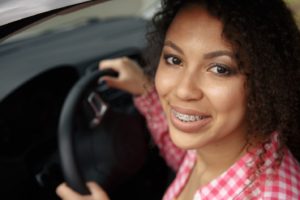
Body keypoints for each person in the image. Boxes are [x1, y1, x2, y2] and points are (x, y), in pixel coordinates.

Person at [56, 0, 300, 199]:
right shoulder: (215, 146)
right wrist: (145, 90)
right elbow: (182, 158)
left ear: (267, 83)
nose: (183, 90)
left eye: (219, 69)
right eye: (174, 60)